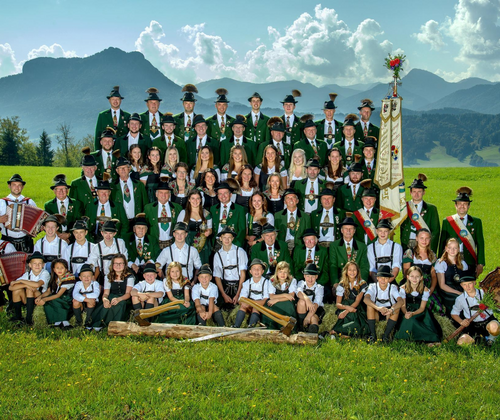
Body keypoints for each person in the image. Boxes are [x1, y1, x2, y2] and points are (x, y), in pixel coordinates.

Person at [439, 187, 485, 278]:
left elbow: (480, 243)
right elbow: (442, 242)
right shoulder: (447, 221)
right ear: (455, 205)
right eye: (459, 204)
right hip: (451, 259)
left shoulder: (476, 222)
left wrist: (480, 263)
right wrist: (440, 260)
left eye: (465, 204)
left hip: (469, 259)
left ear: (469, 206)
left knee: (468, 283)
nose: (462, 206)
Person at [394, 266, 442, 343]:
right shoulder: (403, 288)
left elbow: (422, 308)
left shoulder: (425, 289)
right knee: (408, 320)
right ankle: (406, 337)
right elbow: (403, 306)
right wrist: (406, 313)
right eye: (412, 276)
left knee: (418, 321)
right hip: (407, 310)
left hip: (419, 311)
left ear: (421, 278)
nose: (414, 279)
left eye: (417, 276)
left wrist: (413, 313)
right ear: (408, 277)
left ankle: (427, 338)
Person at [402, 228, 443, 315]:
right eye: (422, 238)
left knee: (437, 307)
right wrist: (414, 285)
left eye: (427, 238)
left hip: (427, 284)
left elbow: (433, 275)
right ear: (416, 238)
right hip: (412, 282)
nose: (424, 241)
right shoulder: (410, 252)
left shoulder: (432, 255)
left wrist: (431, 289)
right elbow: (406, 272)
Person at [90, 254, 134, 330]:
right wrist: (105, 299)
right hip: (112, 295)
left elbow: (128, 294)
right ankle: (98, 324)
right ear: (112, 265)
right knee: (107, 305)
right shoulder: (108, 276)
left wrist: (119, 299)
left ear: (124, 265)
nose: (118, 265)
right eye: (116, 263)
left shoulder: (130, 277)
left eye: (120, 263)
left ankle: (113, 325)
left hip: (124, 298)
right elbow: (106, 293)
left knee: (119, 304)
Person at [451, 275, 500, 346]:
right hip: (472, 325)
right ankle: (480, 339)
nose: (467, 287)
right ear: (461, 285)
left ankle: (491, 339)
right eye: (464, 285)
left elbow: (497, 304)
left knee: (494, 327)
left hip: (488, 321)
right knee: (460, 343)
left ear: (474, 283)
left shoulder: (485, 293)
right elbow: (454, 313)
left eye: (469, 284)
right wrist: (461, 322)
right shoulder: (460, 299)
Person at [400, 173, 440, 253]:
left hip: (424, 244)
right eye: (414, 191)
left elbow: (435, 231)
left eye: (419, 192)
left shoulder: (431, 209)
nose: (416, 194)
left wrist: (430, 249)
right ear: (410, 192)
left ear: (423, 192)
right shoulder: (404, 207)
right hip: (407, 243)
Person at [364, 265, 404, 343]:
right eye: (381, 277)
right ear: (377, 278)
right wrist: (378, 308)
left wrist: (391, 309)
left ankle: (386, 336)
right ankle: (373, 335)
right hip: (376, 313)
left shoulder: (392, 288)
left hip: (388, 313)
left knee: (396, 307)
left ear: (389, 279)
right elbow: (366, 299)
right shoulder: (372, 286)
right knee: (370, 305)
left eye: (386, 278)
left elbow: (401, 301)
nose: (383, 280)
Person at [8, 251, 50, 325]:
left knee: (30, 289)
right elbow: (11, 287)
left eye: (39, 263)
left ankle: (29, 319)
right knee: (16, 290)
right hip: (28, 300)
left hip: (40, 297)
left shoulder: (45, 273)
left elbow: (37, 284)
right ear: (30, 265)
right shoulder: (27, 274)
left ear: (43, 265)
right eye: (34, 263)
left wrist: (21, 281)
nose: (37, 265)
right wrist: (25, 285)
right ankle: (18, 316)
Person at [330, 262, 369, 338]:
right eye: (350, 270)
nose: (352, 272)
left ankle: (336, 331)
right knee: (348, 316)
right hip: (344, 306)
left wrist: (346, 311)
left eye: (354, 270)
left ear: (357, 271)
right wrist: (346, 308)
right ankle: (343, 333)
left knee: (354, 316)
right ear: (346, 271)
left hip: (356, 307)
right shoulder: (342, 284)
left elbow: (357, 301)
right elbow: (338, 304)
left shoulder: (361, 283)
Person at [0, 174, 38, 252]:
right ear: (9, 186)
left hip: (26, 242)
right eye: (14, 185)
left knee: (27, 260)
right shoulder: (2, 202)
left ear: (22, 187)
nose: (17, 187)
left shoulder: (29, 202)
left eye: (19, 185)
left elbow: (37, 219)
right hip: (7, 242)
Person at [85, 174, 129, 241]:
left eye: (106, 192)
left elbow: (125, 225)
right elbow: (86, 225)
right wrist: (90, 240)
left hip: (113, 240)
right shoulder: (90, 207)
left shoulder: (118, 206)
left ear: (109, 192)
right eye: (101, 192)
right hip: (94, 240)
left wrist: (119, 238)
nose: (104, 194)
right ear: (97, 193)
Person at [213, 226, 248, 310]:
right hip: (225, 287)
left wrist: (238, 294)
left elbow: (243, 274)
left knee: (242, 308)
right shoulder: (217, 255)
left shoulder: (240, 252)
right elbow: (217, 277)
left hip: (239, 286)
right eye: (224, 237)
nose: (227, 240)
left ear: (232, 238)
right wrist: (223, 295)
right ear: (220, 239)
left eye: (229, 237)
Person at [36, 259, 76, 329]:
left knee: (51, 300)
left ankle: (65, 322)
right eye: (57, 268)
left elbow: (58, 295)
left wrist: (44, 299)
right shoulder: (56, 278)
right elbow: (48, 291)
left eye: (62, 268)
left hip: (67, 299)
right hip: (60, 298)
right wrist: (40, 297)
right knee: (49, 300)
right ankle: (56, 322)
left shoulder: (69, 278)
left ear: (66, 269)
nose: (59, 270)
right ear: (54, 269)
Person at [292, 228, 331, 302]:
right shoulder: (298, 250)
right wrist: (304, 283)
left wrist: (316, 284)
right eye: (307, 240)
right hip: (302, 280)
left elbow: (325, 271)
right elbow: (295, 268)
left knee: (327, 293)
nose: (309, 242)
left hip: (317, 280)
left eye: (312, 240)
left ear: (316, 241)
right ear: (304, 240)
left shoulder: (323, 251)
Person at [329, 216, 370, 286]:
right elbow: (333, 266)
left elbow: (364, 267)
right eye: (346, 228)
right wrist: (335, 283)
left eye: (351, 229)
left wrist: (360, 283)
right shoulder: (334, 246)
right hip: (340, 280)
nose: (348, 231)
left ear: (354, 231)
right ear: (341, 230)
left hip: (357, 281)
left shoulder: (362, 246)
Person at [143, 179, 182, 250]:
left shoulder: (177, 208)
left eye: (166, 193)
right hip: (155, 243)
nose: (163, 195)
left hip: (172, 243)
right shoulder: (148, 208)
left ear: (169, 195)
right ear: (156, 194)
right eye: (161, 192)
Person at [87, 220, 128, 284]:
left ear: (114, 233)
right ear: (102, 233)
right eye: (106, 233)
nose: (108, 236)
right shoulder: (97, 247)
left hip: (120, 277)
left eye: (110, 233)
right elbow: (90, 263)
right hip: (103, 278)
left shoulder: (120, 243)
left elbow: (125, 260)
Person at [435, 238, 469, 317]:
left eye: (455, 248)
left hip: (460, 289)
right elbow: (442, 285)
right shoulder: (441, 263)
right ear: (446, 248)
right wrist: (458, 293)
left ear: (458, 249)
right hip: (447, 291)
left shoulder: (462, 263)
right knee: (459, 300)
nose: (452, 250)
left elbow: (465, 281)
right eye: (450, 248)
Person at [44, 174, 84, 240]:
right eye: (58, 189)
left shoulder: (77, 204)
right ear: (54, 191)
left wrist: (69, 234)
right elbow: (47, 224)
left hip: (74, 238)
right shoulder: (49, 205)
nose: (61, 191)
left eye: (63, 189)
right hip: (55, 238)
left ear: (67, 190)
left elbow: (80, 222)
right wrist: (58, 234)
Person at [178, 190, 213, 264]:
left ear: (200, 200)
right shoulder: (184, 213)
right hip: (188, 243)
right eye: (193, 198)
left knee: (202, 264)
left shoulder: (206, 213)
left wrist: (208, 232)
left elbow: (210, 229)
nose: (195, 201)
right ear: (189, 200)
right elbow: (179, 230)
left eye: (197, 198)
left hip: (202, 244)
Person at [261, 261, 297, 331]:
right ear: (277, 272)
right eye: (280, 272)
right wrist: (285, 295)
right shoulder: (272, 280)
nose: (282, 274)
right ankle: (271, 327)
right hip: (276, 300)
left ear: (288, 273)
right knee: (270, 304)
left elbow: (291, 296)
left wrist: (277, 300)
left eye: (285, 272)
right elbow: (271, 296)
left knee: (288, 305)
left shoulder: (292, 280)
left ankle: (288, 328)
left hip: (287, 302)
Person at [234, 258, 269, 328]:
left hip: (260, 306)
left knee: (256, 308)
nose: (256, 271)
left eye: (259, 269)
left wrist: (252, 303)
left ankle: (251, 326)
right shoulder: (247, 283)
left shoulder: (266, 283)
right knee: (243, 306)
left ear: (262, 271)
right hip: (249, 305)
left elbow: (265, 300)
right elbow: (241, 299)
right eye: (254, 269)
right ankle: (236, 326)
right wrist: (244, 303)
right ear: (250, 271)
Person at [124, 213, 160, 280]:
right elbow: (122, 254)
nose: (141, 230)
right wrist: (131, 264)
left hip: (148, 268)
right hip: (131, 267)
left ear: (146, 230)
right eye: (139, 228)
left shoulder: (152, 239)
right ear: (134, 229)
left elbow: (158, 253)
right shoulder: (126, 239)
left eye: (143, 228)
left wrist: (150, 262)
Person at [112, 157, 148, 223]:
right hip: (120, 222)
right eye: (120, 168)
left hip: (136, 222)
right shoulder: (112, 187)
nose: (123, 170)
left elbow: (145, 204)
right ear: (117, 171)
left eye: (125, 167)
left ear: (129, 169)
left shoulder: (139, 185)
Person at [210, 182, 247, 248]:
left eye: (225, 193)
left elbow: (242, 230)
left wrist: (236, 244)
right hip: (216, 243)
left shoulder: (239, 209)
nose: (223, 196)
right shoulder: (213, 209)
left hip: (233, 243)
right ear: (217, 196)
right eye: (220, 194)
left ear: (230, 194)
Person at [94, 86, 130, 150]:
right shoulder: (102, 115)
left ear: (121, 100)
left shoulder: (127, 116)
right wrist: (97, 151)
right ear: (109, 100)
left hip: (122, 149)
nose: (115, 101)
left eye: (117, 99)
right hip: (107, 149)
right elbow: (98, 134)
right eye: (113, 99)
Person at [367, 219, 403, 283]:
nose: (383, 233)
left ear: (389, 232)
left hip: (390, 279)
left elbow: (396, 267)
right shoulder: (370, 248)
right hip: (375, 280)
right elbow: (372, 269)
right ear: (376, 231)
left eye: (385, 231)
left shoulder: (397, 247)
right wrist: (379, 284)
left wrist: (386, 283)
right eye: (380, 231)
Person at [296, 263, 324, 333]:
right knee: (301, 302)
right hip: (302, 310)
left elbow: (316, 303)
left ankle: (313, 331)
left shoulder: (319, 288)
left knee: (313, 318)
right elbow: (298, 292)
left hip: (314, 309)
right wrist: (307, 299)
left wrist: (308, 317)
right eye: (308, 276)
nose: (310, 279)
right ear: (304, 276)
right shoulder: (301, 283)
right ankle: (301, 327)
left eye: (313, 277)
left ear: (316, 277)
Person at [72, 264, 100, 329]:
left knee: (92, 300)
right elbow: (75, 294)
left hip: (92, 305)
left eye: (88, 276)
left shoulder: (95, 284)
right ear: (80, 277)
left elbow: (96, 294)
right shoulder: (78, 284)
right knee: (75, 301)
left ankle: (88, 321)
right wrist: (86, 299)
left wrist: (83, 296)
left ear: (92, 277)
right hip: (82, 304)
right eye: (84, 276)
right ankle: (79, 321)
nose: (86, 278)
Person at [353, 180, 380, 245]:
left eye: (371, 199)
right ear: (362, 199)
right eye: (366, 198)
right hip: (360, 245)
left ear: (375, 199)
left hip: (375, 245)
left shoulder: (379, 214)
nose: (368, 201)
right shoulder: (356, 214)